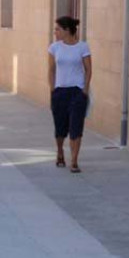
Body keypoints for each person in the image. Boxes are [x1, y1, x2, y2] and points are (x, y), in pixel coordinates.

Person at [47, 16, 92, 173]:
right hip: (60, 91)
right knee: (60, 127)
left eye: (57, 29)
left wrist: (85, 90)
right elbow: (51, 70)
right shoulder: (54, 48)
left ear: (67, 30)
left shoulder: (82, 47)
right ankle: (60, 151)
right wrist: (52, 89)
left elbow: (88, 69)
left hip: (77, 92)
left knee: (76, 126)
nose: (55, 32)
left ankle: (74, 160)